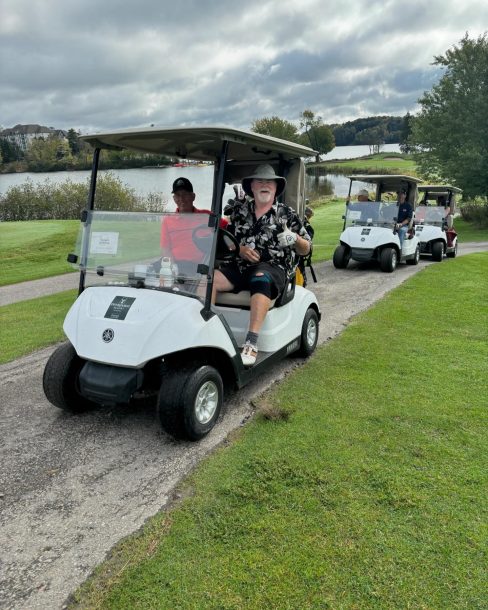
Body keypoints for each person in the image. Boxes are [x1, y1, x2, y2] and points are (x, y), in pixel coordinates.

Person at [212, 164, 311, 367]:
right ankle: (209, 333)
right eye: (260, 181)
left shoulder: (286, 214)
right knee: (208, 279)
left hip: (273, 268)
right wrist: (239, 249)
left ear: (276, 188)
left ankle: (251, 342)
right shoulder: (239, 212)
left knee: (260, 279)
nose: (265, 184)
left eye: (269, 182)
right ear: (252, 187)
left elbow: (306, 249)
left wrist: (295, 238)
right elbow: (227, 241)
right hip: (240, 266)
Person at [160, 177, 227, 279]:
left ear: (193, 196)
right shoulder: (168, 221)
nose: (181, 199)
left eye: (185, 194)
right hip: (176, 265)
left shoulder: (206, 216)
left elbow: (226, 227)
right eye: (178, 195)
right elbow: (166, 250)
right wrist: (172, 268)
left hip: (198, 266)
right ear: (174, 199)